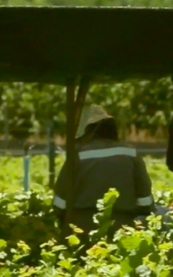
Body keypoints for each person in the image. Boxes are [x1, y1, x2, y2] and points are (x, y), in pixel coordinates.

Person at [52, 104, 155, 247]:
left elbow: (59, 204)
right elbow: (146, 202)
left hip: (82, 232)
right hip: (122, 230)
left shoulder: (77, 156)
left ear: (87, 131)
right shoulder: (131, 153)